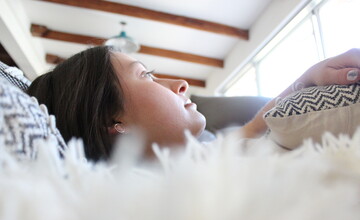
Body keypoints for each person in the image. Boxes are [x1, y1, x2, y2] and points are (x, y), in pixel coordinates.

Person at [27, 46, 360, 161]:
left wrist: (308, 78)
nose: (181, 84)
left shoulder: (210, 151)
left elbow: (256, 125)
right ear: (113, 121)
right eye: (145, 76)